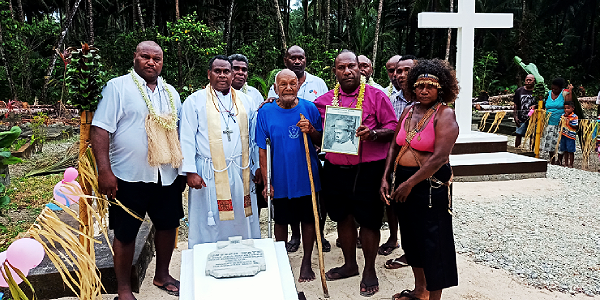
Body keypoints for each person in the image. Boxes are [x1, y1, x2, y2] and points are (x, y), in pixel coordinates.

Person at [91, 41, 183, 299]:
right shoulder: (117, 87)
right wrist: (104, 171)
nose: (151, 62)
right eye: (146, 56)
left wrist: (181, 171)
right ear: (135, 58)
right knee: (125, 232)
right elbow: (100, 129)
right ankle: (123, 288)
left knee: (167, 226)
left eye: (157, 58)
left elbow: (177, 133)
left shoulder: (170, 92)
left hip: (166, 174)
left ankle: (162, 274)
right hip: (127, 176)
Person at [314, 50, 398, 297]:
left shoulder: (377, 96)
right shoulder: (324, 101)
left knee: (370, 220)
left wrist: (373, 134)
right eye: (342, 67)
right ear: (335, 71)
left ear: (361, 69)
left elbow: (393, 127)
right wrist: (310, 131)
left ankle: (369, 269)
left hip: (368, 169)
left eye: (352, 66)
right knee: (342, 217)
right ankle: (350, 264)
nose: (347, 71)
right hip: (336, 169)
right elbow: (321, 137)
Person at [380, 58, 460, 300]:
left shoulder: (445, 115)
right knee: (412, 239)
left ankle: (433, 297)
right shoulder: (407, 110)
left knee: (433, 244)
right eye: (419, 86)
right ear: (412, 87)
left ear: (441, 88)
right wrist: (386, 177)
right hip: (403, 182)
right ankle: (419, 291)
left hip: (430, 186)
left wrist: (409, 184)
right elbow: (394, 147)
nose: (424, 90)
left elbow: (439, 158)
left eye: (430, 86)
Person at [179, 55, 261, 246]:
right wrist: (190, 171)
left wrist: (257, 166)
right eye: (218, 71)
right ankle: (206, 258)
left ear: (232, 75)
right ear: (209, 74)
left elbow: (254, 138)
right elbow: (186, 137)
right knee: (210, 219)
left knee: (240, 216)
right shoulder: (194, 101)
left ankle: (241, 255)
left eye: (226, 71)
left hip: (240, 169)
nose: (222, 75)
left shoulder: (245, 101)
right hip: (208, 171)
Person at [256, 69, 323, 282]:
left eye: (292, 83)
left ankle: (306, 263)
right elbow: (262, 150)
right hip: (280, 177)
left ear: (299, 86)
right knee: (281, 221)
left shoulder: (309, 108)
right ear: (275, 88)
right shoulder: (265, 112)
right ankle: (282, 259)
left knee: (309, 220)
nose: (288, 88)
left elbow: (321, 140)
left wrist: (311, 129)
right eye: (282, 84)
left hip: (306, 176)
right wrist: (268, 182)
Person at [267, 45, 330, 253]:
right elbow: (271, 110)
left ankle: (316, 243)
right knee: (285, 212)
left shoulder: (317, 85)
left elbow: (323, 122)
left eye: (300, 57)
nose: (297, 61)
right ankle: (293, 239)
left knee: (310, 209)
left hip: (308, 157)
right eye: (292, 57)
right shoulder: (274, 93)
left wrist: (311, 129)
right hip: (283, 161)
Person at [380, 55, 417, 267]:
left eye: (405, 70)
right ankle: (395, 239)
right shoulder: (391, 100)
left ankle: (413, 252)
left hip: (420, 166)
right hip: (394, 161)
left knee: (415, 210)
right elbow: (392, 136)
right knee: (393, 204)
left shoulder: (430, 101)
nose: (399, 75)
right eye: (396, 71)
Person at [228, 54, 269, 218]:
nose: (240, 73)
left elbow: (257, 131)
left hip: (248, 160)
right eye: (236, 68)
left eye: (244, 69)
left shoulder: (254, 94)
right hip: (224, 160)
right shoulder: (211, 96)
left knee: (251, 205)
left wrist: (259, 165)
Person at [541, 77, 572, 164]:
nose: (554, 90)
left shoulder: (564, 94)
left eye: (556, 89)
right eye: (553, 88)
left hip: (561, 123)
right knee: (550, 141)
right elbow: (543, 104)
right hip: (549, 121)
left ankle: (559, 160)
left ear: (560, 88)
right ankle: (552, 159)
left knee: (560, 141)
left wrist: (570, 91)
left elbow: (569, 105)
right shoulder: (548, 94)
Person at [513, 74, 536, 147]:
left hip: (533, 118)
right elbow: (515, 104)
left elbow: (541, 104)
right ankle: (516, 150)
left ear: (534, 81)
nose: (528, 82)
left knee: (533, 135)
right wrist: (515, 116)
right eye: (527, 80)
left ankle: (532, 152)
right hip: (521, 117)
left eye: (530, 80)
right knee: (518, 134)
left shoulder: (537, 92)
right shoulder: (519, 91)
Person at [558, 101, 578, 167]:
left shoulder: (574, 116)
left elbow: (576, 126)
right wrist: (562, 119)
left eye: (568, 108)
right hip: (564, 135)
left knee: (571, 150)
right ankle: (566, 163)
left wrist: (569, 123)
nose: (566, 110)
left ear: (573, 108)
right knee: (565, 150)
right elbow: (560, 124)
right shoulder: (563, 115)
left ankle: (571, 164)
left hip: (570, 136)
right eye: (565, 108)